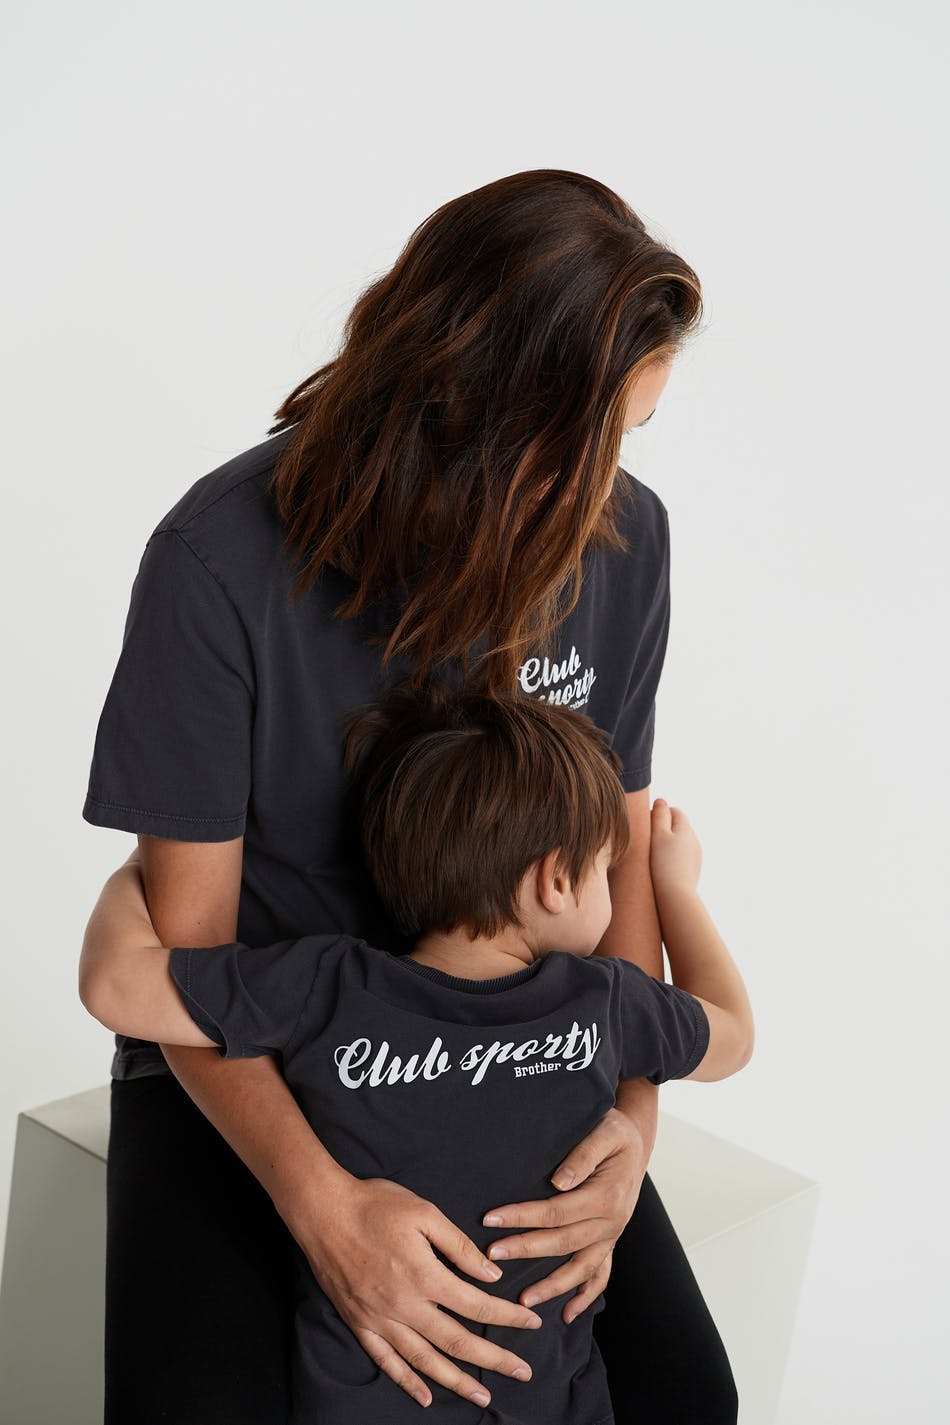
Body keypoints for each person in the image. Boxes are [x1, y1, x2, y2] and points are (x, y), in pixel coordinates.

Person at [80, 167, 740, 1423]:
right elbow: (189, 958)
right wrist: (324, 1206)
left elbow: (616, 855)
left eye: (626, 441)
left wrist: (629, 1124)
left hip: (513, 1041)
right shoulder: (217, 562)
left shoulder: (622, 539)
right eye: (576, 446)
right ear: (463, 398)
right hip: (257, 1041)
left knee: (685, 1399)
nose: (599, 489)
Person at [79, 681, 754, 1424]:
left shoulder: (327, 985)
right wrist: (677, 887)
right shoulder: (604, 1004)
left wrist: (139, 873)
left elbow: (113, 985)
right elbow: (732, 1034)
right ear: (557, 880)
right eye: (604, 869)